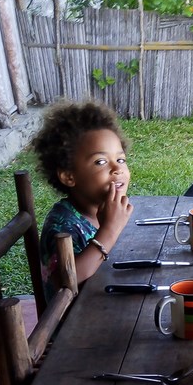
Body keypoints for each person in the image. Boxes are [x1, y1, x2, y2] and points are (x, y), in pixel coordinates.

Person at [31, 99, 134, 294]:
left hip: (105, 301)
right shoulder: (61, 226)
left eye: (120, 159)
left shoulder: (103, 209)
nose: (117, 169)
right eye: (101, 161)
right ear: (69, 176)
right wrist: (110, 230)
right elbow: (66, 279)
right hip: (75, 321)